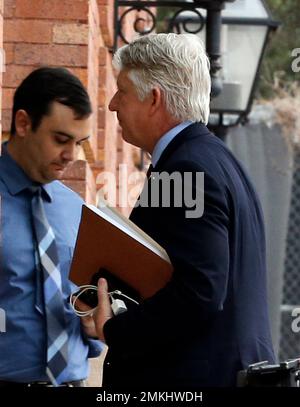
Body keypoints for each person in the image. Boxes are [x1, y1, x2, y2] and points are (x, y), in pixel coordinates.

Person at [92, 33, 275, 387]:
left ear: (154, 100)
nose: (113, 105)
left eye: (122, 92)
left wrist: (114, 328)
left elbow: (200, 292)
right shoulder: (216, 160)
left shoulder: (187, 168)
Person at [0, 67, 103, 387]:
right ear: (23, 123)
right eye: (60, 139)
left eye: (79, 142)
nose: (70, 155)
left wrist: (93, 327)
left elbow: (88, 300)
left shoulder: (76, 209)